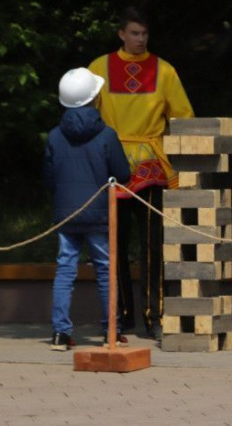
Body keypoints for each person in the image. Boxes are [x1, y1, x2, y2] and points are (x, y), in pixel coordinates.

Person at [88, 7, 194, 339]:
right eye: (134, 33)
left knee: (153, 247)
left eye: (144, 34)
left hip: (151, 166)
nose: (140, 39)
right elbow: (88, 116)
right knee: (114, 246)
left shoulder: (164, 71)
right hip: (111, 166)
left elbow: (184, 118)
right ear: (121, 34)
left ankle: (153, 314)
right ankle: (120, 314)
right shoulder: (98, 69)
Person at [44, 68, 131, 350]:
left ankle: (60, 333)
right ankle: (111, 331)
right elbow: (123, 173)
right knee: (106, 271)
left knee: (65, 269)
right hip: (99, 213)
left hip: (66, 214)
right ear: (94, 98)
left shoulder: (55, 136)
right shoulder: (106, 135)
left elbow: (48, 178)